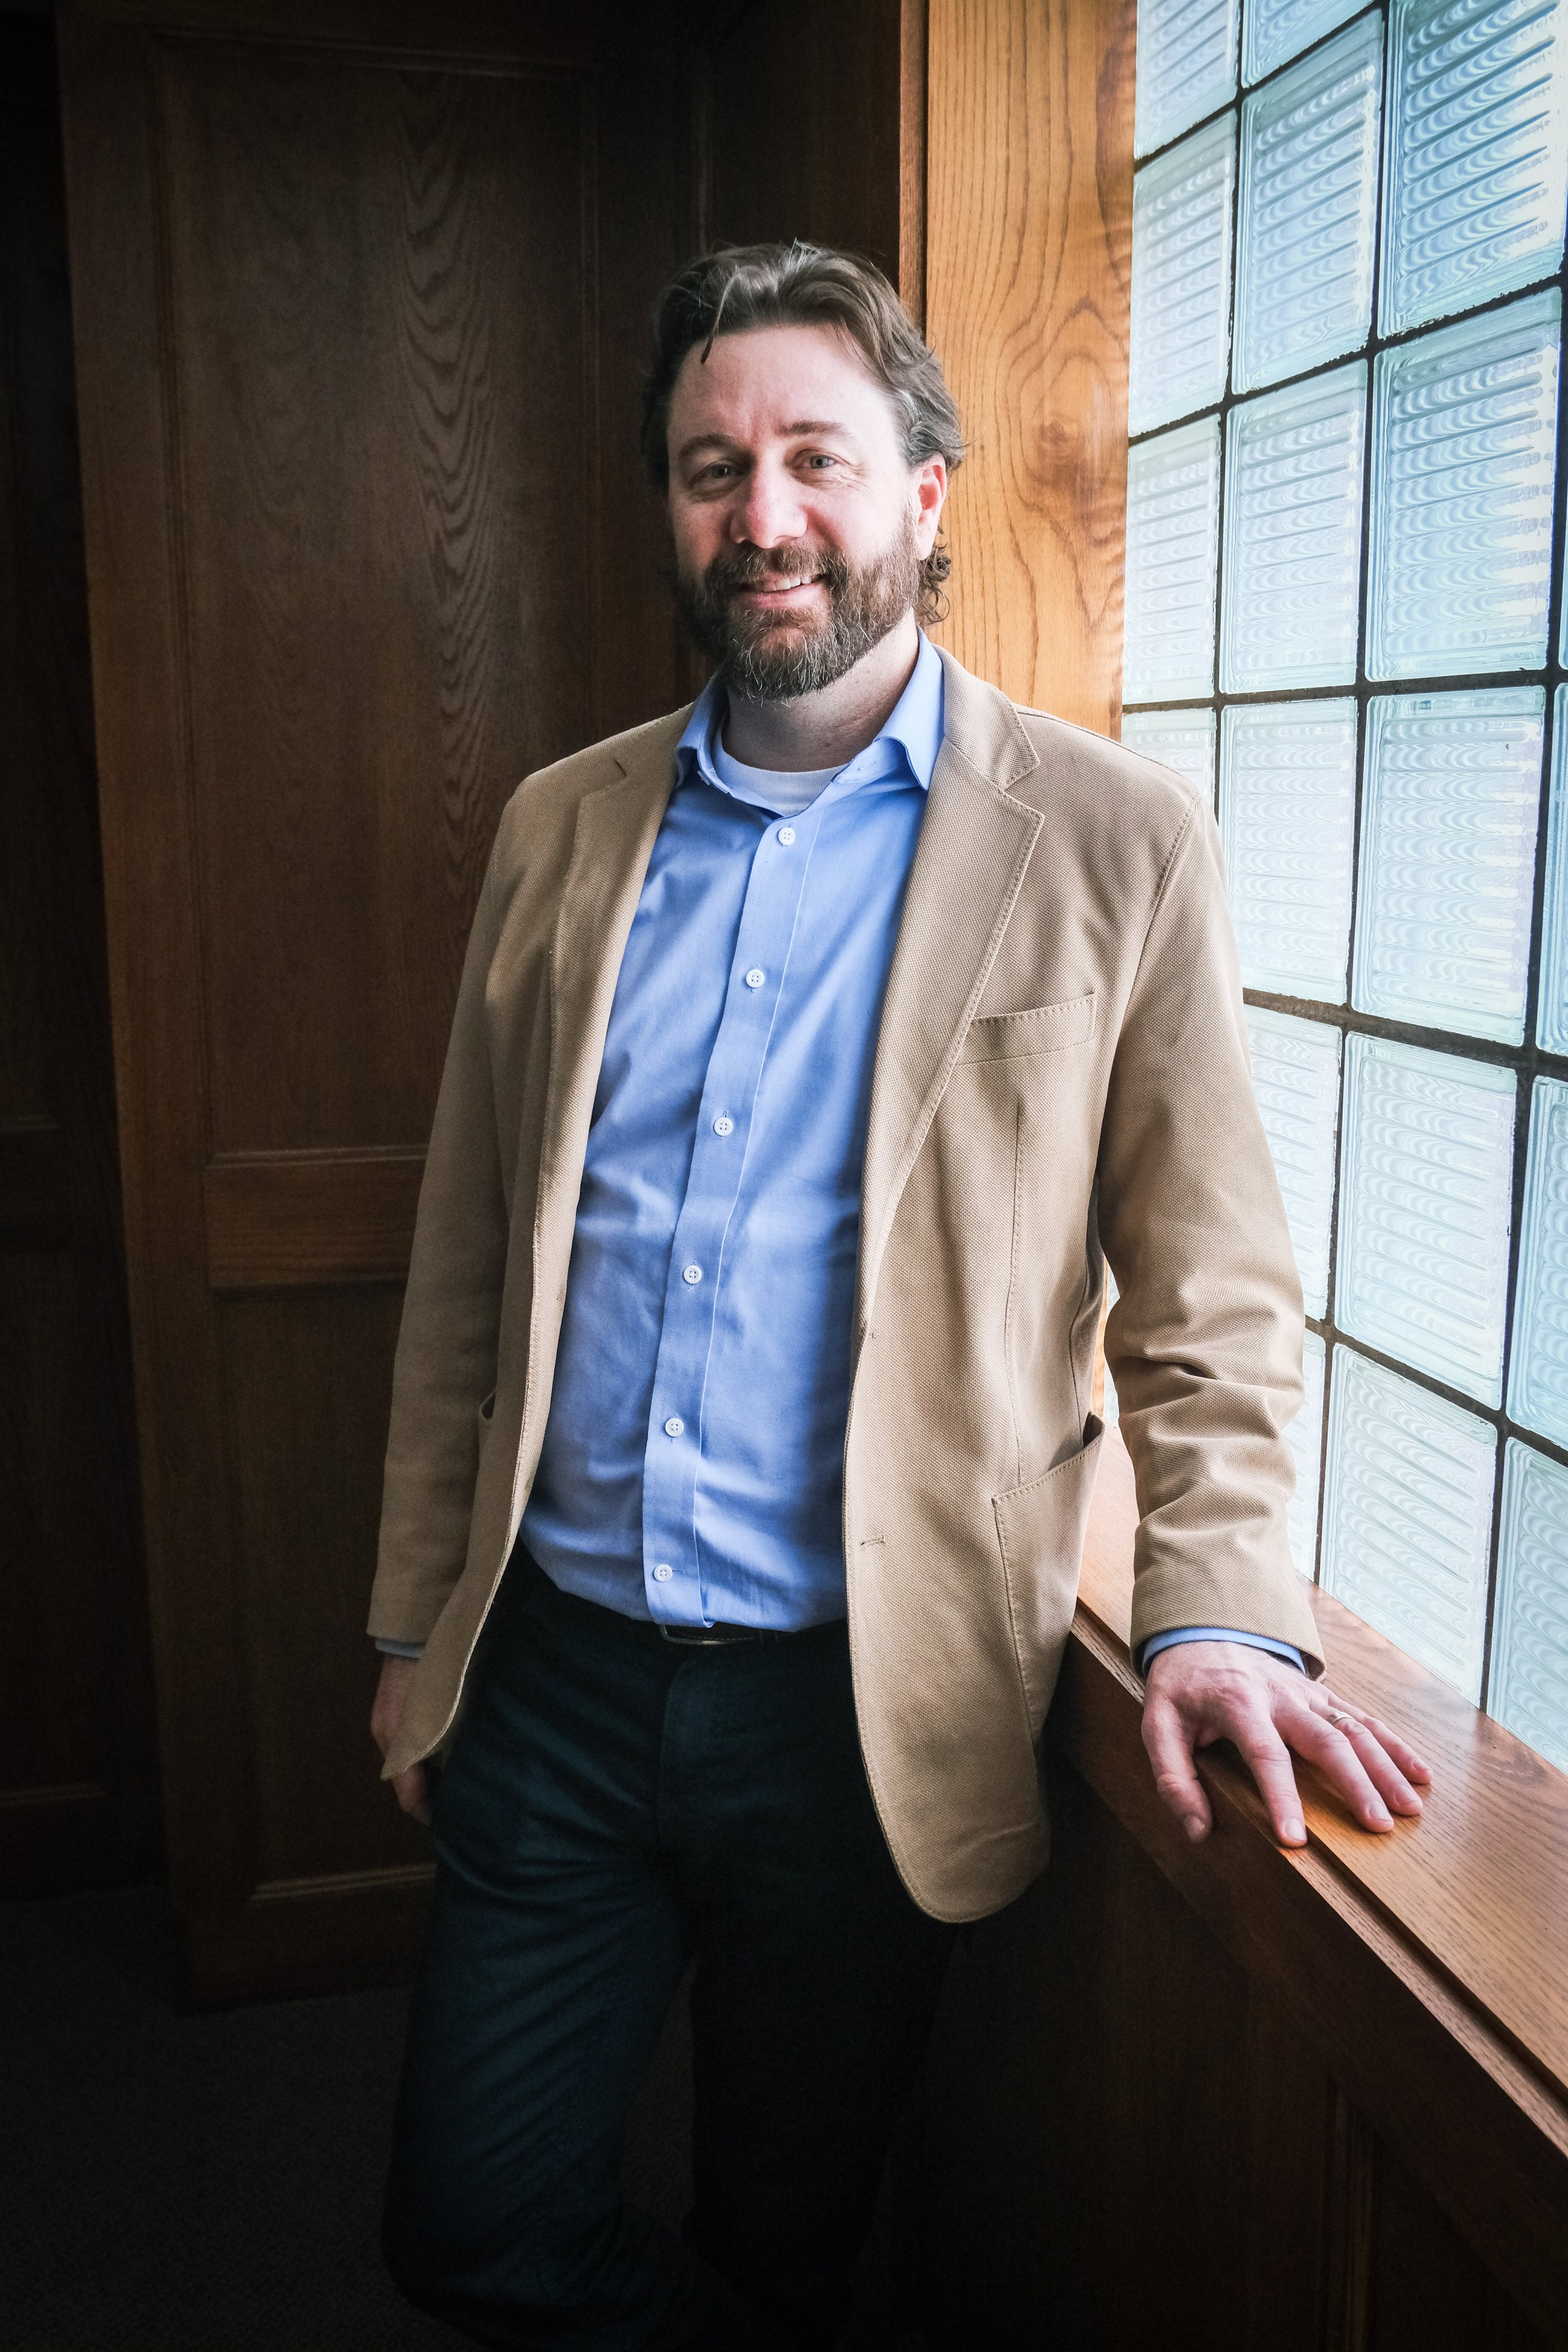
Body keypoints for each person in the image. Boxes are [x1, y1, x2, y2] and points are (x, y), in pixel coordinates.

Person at [368, 241, 1429, 2351]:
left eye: (813, 460)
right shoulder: (557, 832)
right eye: (708, 465)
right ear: (668, 506)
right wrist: (417, 1626)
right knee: (466, 2222)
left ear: (921, 495)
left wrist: (1218, 1613)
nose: (761, 515)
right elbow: (469, 1261)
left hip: (866, 1713)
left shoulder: (1114, 840)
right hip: (554, 1681)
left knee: (788, 2228)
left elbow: (1210, 1288)